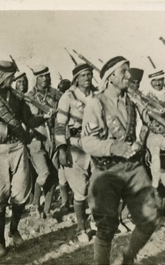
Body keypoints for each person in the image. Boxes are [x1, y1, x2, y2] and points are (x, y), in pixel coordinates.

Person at [81, 56, 165, 265]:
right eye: (124, 72)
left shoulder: (134, 100)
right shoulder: (96, 103)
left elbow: (146, 127)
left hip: (133, 168)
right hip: (107, 172)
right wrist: (112, 147)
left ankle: (128, 259)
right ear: (110, 78)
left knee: (151, 218)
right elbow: (87, 142)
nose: (129, 76)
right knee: (106, 228)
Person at [0, 60, 51, 258]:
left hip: (18, 147)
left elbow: (28, 120)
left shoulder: (17, 97)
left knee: (20, 193)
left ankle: (14, 229)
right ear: (1, 76)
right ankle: (0, 241)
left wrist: (44, 117)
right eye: (9, 76)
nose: (12, 80)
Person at [55, 63, 96, 242]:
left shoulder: (97, 95)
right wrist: (62, 149)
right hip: (75, 146)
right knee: (80, 191)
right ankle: (81, 229)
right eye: (83, 75)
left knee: (97, 185)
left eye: (89, 75)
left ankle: (95, 221)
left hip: (95, 145)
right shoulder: (67, 97)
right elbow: (59, 125)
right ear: (76, 79)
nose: (87, 78)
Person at [141, 68, 165, 223]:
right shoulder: (146, 98)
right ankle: (157, 215)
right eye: (154, 80)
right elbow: (148, 122)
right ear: (150, 82)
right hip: (156, 141)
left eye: (160, 79)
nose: (158, 83)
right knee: (160, 180)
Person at [26, 65, 62, 219]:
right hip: (36, 139)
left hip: (53, 138)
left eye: (47, 76)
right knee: (44, 173)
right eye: (41, 77)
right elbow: (27, 120)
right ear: (36, 78)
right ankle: (35, 204)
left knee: (53, 176)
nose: (44, 79)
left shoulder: (56, 94)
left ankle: (46, 210)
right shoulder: (29, 97)